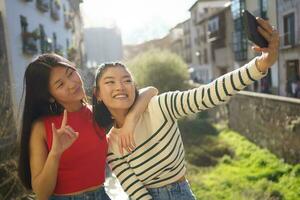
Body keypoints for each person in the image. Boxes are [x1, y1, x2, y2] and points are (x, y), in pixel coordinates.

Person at [92, 17, 279, 200]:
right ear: (98, 94)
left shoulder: (159, 106)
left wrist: (260, 64)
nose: (120, 87)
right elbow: (135, 192)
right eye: (110, 82)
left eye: (127, 80)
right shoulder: (112, 145)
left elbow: (209, 94)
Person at [17, 53, 157, 200]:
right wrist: (55, 154)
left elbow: (150, 91)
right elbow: (41, 194)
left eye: (71, 74)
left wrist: (131, 121)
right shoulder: (41, 128)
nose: (72, 84)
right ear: (50, 96)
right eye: (60, 84)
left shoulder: (99, 113)